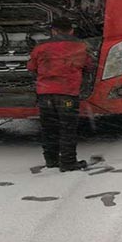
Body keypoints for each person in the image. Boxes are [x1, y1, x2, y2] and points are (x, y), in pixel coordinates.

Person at [27, 17, 94, 172]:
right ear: (71, 30)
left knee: (48, 128)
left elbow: (31, 67)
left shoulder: (41, 47)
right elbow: (89, 66)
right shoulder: (80, 46)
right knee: (68, 129)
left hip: (45, 94)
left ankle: (51, 160)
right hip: (67, 94)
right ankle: (68, 162)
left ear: (53, 30)